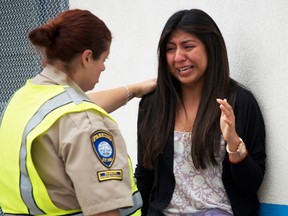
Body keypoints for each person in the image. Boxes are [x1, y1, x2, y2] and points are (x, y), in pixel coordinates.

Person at [0, 9, 156, 216]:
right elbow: (105, 212)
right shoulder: (86, 122)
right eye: (104, 60)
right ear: (87, 57)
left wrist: (133, 90)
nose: (103, 68)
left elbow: (70, 111)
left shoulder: (23, 98)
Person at [135, 9, 266, 216]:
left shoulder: (240, 102)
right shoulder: (153, 105)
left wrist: (233, 142)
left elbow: (252, 183)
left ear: (210, 48)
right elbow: (145, 173)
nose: (178, 57)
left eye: (188, 46)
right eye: (170, 49)